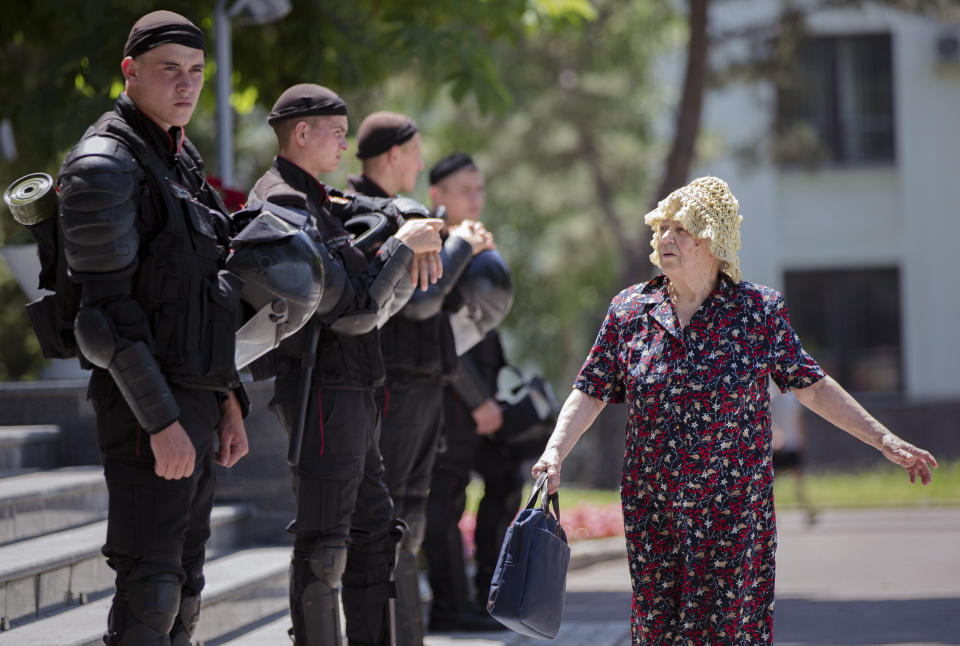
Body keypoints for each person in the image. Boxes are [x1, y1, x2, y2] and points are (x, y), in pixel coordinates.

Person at [532, 176, 938, 645]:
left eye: (680, 229)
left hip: (733, 516)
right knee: (657, 634)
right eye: (661, 228)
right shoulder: (630, 311)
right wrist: (555, 451)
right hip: (653, 513)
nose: (665, 238)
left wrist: (882, 437)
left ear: (713, 240)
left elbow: (811, 385)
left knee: (726, 635)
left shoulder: (757, 312)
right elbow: (591, 389)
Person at [56, 11, 250, 645]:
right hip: (146, 409)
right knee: (153, 585)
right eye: (170, 70)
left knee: (186, 582)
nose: (186, 85)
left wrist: (227, 401)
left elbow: (209, 293)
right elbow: (102, 319)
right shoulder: (104, 162)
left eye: (196, 71)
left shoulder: (181, 158)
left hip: (196, 397)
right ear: (130, 72)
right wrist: (162, 422)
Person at [248, 85, 444, 646]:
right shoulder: (282, 203)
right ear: (301, 133)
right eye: (335, 132)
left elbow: (372, 212)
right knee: (326, 547)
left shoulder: (315, 198)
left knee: (374, 536)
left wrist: (408, 222)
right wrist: (405, 245)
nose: (344, 143)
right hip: (319, 388)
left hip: (350, 388)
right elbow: (353, 311)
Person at [347, 128, 495, 645]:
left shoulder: (405, 212)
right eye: (413, 154)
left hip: (425, 383)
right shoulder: (365, 212)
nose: (419, 163)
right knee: (388, 521)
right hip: (396, 384)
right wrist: (458, 246)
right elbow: (423, 302)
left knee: (408, 523)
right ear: (393, 156)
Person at [422, 154, 513, 633]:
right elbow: (440, 332)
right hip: (450, 399)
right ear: (437, 194)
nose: (475, 199)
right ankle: (450, 606)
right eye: (464, 190)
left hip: (482, 398)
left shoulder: (475, 244)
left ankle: (485, 597)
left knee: (505, 478)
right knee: (446, 501)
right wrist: (477, 399)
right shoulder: (433, 244)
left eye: (479, 189)